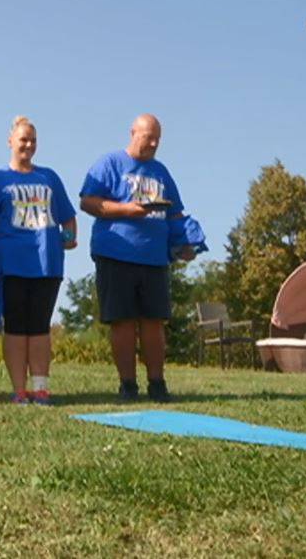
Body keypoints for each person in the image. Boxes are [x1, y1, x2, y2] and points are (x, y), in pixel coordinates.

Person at [80, 114, 194, 402]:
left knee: (154, 321)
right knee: (123, 322)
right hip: (116, 253)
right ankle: (127, 385)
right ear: (133, 133)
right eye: (148, 137)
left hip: (154, 258)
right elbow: (87, 202)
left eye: (157, 139)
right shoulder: (109, 164)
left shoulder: (161, 172)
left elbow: (176, 212)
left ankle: (157, 384)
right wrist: (126, 210)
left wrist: (185, 243)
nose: (154, 143)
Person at [0, 116, 78, 405]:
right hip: (10, 262)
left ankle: (41, 388)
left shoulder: (49, 178)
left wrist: (69, 237)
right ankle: (19, 389)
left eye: (32, 140)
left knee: (40, 326)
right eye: (23, 139)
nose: (28, 145)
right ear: (10, 141)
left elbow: (68, 215)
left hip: (47, 263)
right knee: (16, 327)